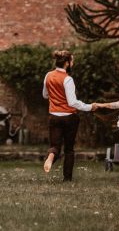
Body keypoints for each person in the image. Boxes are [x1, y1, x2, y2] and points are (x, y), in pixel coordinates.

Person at [42, 49, 93, 181]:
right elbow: (72, 102)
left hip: (54, 116)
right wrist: (89, 107)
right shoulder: (67, 79)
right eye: (72, 61)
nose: (73, 63)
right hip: (69, 117)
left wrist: (54, 97)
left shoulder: (48, 76)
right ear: (66, 63)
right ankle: (67, 178)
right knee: (69, 149)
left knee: (55, 145)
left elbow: (45, 95)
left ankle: (51, 156)